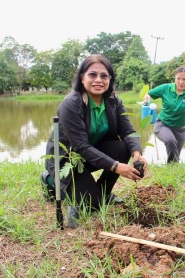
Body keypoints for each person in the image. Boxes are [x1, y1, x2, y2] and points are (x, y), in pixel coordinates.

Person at [41, 54, 147, 228]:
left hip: (93, 153)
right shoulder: (71, 104)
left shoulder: (113, 100)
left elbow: (129, 131)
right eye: (92, 75)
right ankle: (50, 181)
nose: (99, 80)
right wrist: (117, 167)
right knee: (91, 205)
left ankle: (104, 193)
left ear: (110, 79)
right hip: (69, 158)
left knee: (124, 147)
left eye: (104, 76)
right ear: (82, 77)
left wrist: (137, 154)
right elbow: (81, 146)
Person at [143, 66, 185, 163]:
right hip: (162, 124)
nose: (181, 82)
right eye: (178, 79)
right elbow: (149, 94)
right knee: (170, 141)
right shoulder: (166, 88)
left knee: (175, 155)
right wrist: (147, 96)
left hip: (180, 129)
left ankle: (172, 169)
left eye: (184, 79)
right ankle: (172, 166)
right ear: (175, 78)